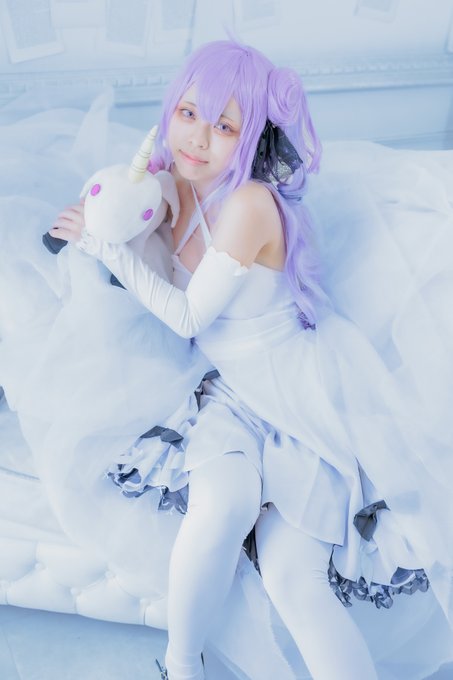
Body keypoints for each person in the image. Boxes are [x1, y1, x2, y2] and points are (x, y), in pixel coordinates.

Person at [40, 39, 453, 680]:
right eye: (188, 113)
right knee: (220, 506)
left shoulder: (250, 205)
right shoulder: (168, 187)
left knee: (294, 579)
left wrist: (107, 247)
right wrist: (108, 222)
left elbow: (188, 317)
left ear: (251, 136)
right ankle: (181, 668)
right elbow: (146, 276)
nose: (198, 138)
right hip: (229, 394)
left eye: (225, 126)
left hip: (299, 400)